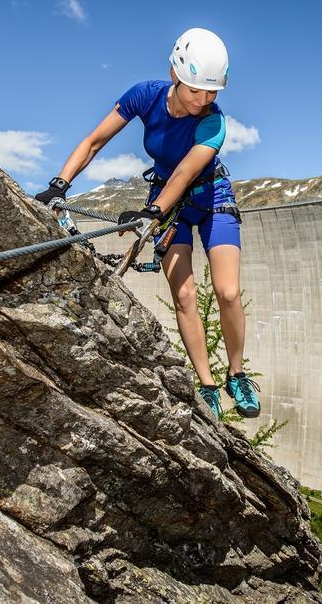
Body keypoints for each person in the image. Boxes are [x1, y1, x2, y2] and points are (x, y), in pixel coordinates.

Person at [34, 28, 259, 420]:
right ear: (175, 73)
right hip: (169, 205)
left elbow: (184, 175)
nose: (204, 100)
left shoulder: (213, 123)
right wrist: (59, 185)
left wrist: (152, 213)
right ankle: (207, 385)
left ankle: (236, 375)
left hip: (211, 198)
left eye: (212, 92)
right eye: (196, 90)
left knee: (227, 291)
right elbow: (94, 142)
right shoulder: (145, 95)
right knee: (185, 296)